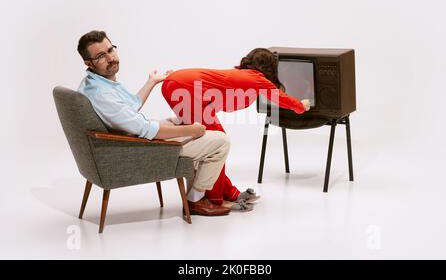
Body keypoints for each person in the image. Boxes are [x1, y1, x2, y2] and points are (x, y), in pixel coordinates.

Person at [76, 30, 231, 216]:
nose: (110, 58)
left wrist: (152, 82)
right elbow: (145, 129)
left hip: (130, 136)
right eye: (101, 56)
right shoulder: (102, 94)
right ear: (88, 63)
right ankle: (196, 201)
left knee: (184, 120)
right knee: (221, 141)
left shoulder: (98, 83)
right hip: (136, 148)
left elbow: (130, 108)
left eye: (111, 50)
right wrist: (192, 130)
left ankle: (201, 188)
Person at [161, 48, 311, 209]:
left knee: (213, 144)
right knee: (217, 143)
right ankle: (212, 199)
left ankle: (229, 193)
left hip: (176, 84)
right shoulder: (257, 78)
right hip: (185, 89)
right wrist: (300, 105)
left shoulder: (242, 75)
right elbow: (280, 98)